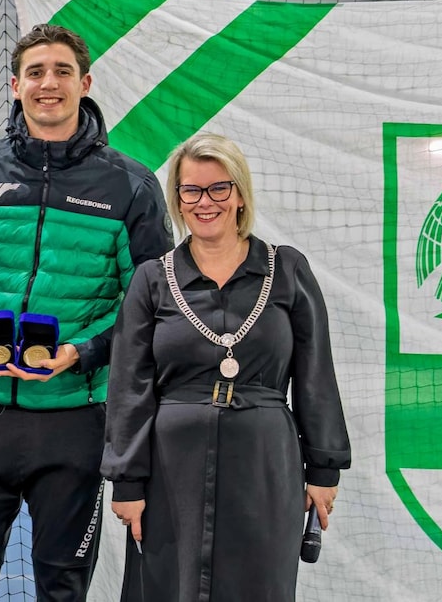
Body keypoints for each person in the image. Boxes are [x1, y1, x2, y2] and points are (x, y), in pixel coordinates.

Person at [0, 24, 174, 601]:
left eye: (62, 71)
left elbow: (150, 301)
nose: (48, 83)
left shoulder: (129, 186)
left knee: (62, 587)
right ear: (15, 85)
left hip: (76, 418)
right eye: (35, 72)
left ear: (84, 83)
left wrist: (84, 353)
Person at [102, 133, 352, 601]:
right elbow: (129, 385)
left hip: (264, 461)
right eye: (191, 190)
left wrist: (324, 469)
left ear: (239, 194)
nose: (204, 202)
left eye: (218, 188)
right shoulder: (152, 279)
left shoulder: (287, 270)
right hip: (169, 466)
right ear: (177, 199)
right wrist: (127, 480)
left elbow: (317, 374)